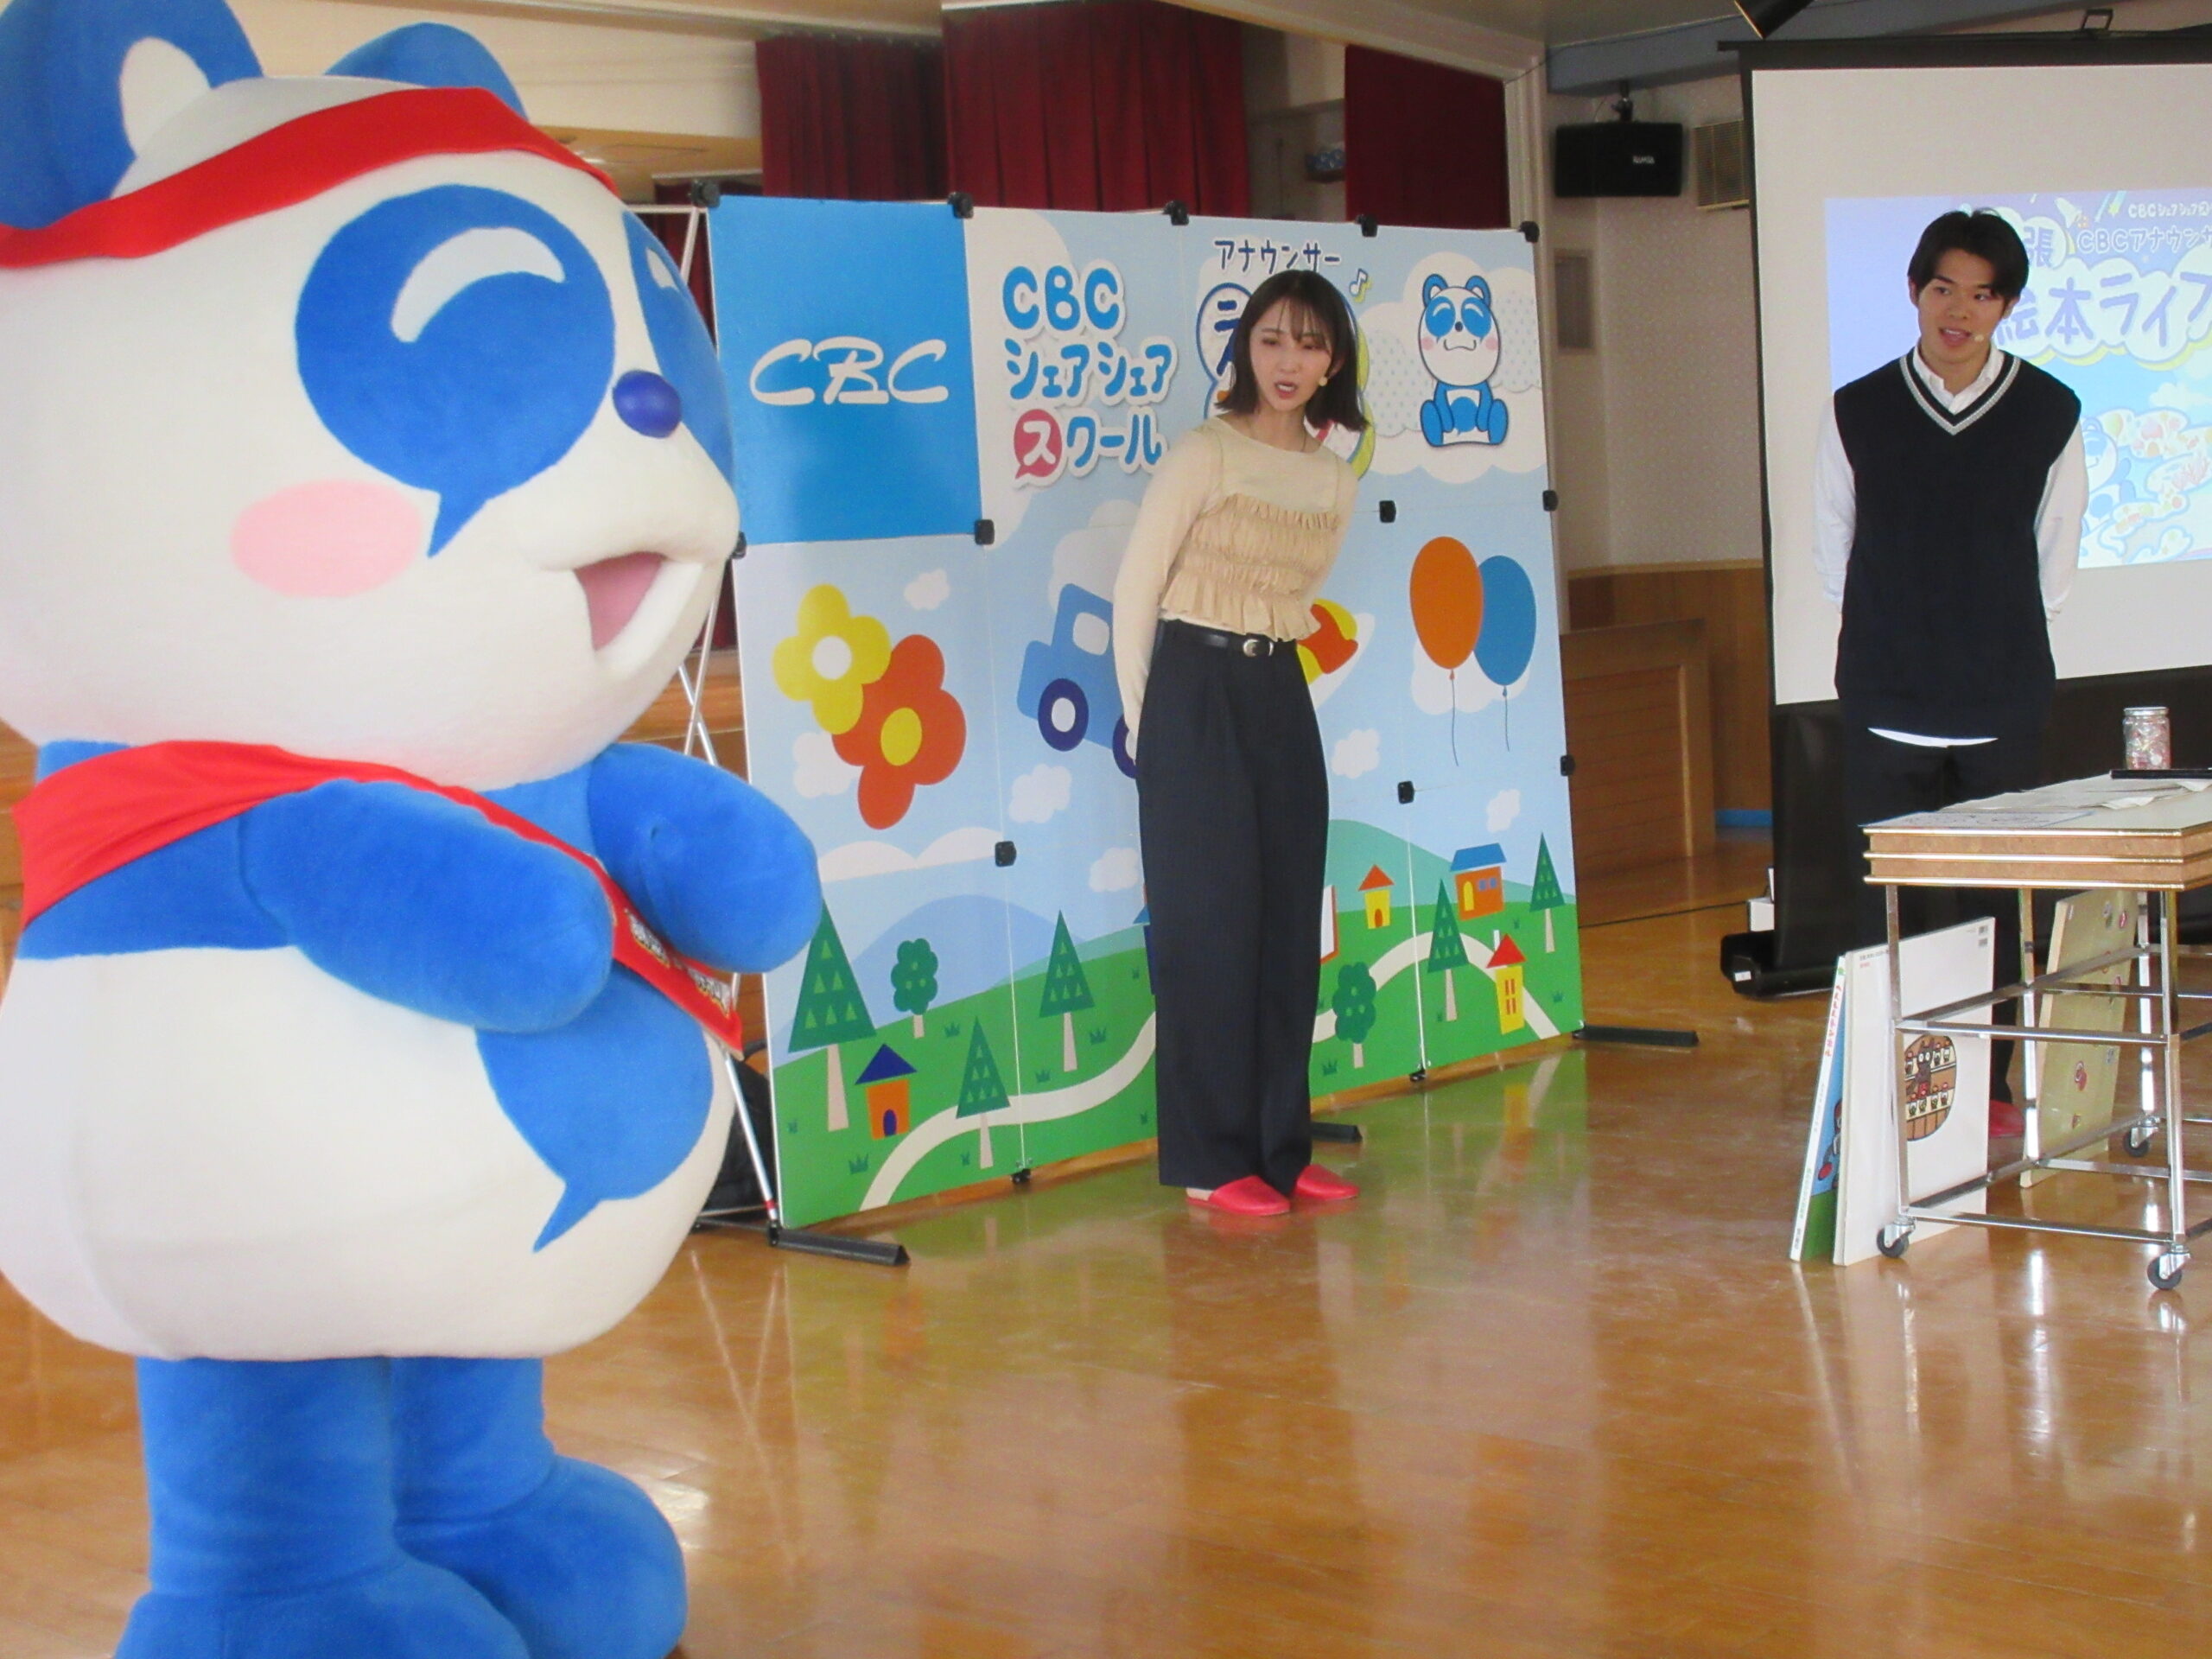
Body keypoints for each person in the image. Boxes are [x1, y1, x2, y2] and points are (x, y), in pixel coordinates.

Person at [1815, 209, 2087, 1135]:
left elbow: (2055, 554)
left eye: (1981, 294)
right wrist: (1895, 634)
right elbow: (1832, 543)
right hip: (1887, 696)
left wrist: (1993, 642)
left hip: (1998, 697)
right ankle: (1881, 1082)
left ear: (2004, 306)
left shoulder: (2048, 409)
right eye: (1943, 289)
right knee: (1883, 904)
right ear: (1914, 292)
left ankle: (1991, 1089)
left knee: (1997, 904)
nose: (1959, 311)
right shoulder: (1858, 408)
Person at [1111, 270, 1364, 1217]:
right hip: (1193, 689)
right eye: (1271, 340)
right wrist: (1154, 731)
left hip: (1277, 692)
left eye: (1309, 343)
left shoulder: (1332, 479)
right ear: (1244, 348)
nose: (1288, 361)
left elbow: (1298, 593)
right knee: (1208, 934)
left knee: (1286, 929)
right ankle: (1212, 1163)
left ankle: (1279, 1149)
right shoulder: (1203, 455)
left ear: (1334, 362)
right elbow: (1135, 593)